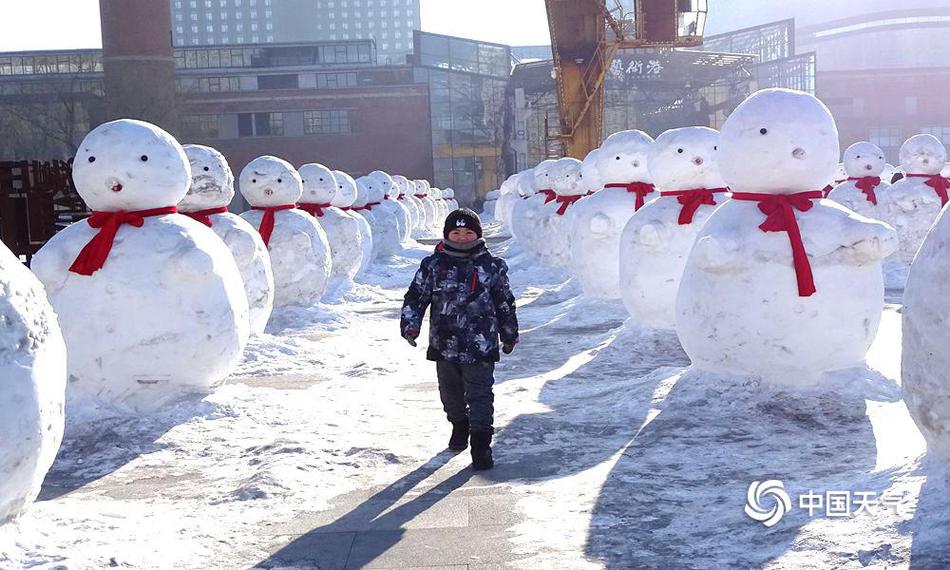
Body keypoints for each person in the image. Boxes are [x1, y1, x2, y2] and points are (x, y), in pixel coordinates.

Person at [400, 209, 519, 470]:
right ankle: (459, 424)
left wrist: (509, 333)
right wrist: (411, 325)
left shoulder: (492, 266)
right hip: (445, 344)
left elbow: (504, 302)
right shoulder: (433, 265)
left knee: (480, 395)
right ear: (446, 235)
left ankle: (481, 444)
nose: (462, 237)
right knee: (451, 396)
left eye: (468, 232)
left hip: (481, 345)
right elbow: (416, 296)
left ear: (477, 234)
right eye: (456, 232)